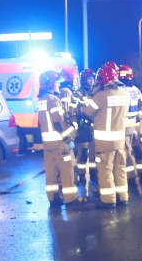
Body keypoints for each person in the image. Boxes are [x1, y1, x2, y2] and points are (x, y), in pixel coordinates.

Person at [37, 71, 83, 208]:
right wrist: (69, 137)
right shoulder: (53, 99)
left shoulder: (41, 100)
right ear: (50, 84)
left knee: (51, 172)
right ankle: (70, 198)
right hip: (59, 143)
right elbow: (59, 122)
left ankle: (53, 198)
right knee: (67, 169)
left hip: (48, 143)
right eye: (57, 82)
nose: (58, 85)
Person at [89, 62, 130, 209]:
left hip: (104, 143)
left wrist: (93, 92)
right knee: (120, 169)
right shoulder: (125, 94)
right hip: (120, 141)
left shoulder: (100, 96)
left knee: (105, 170)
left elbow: (87, 111)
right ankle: (123, 197)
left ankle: (108, 200)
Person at [118, 65, 142, 182]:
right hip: (135, 125)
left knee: (127, 151)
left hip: (125, 127)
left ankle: (130, 177)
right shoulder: (135, 89)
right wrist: (140, 114)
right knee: (138, 149)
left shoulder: (120, 91)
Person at [73, 68, 97, 186]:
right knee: (82, 153)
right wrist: (81, 112)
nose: (92, 81)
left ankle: (93, 174)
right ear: (84, 80)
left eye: (93, 79)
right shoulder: (78, 93)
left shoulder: (97, 91)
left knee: (93, 153)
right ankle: (81, 175)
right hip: (83, 127)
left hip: (93, 127)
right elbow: (74, 109)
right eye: (89, 79)